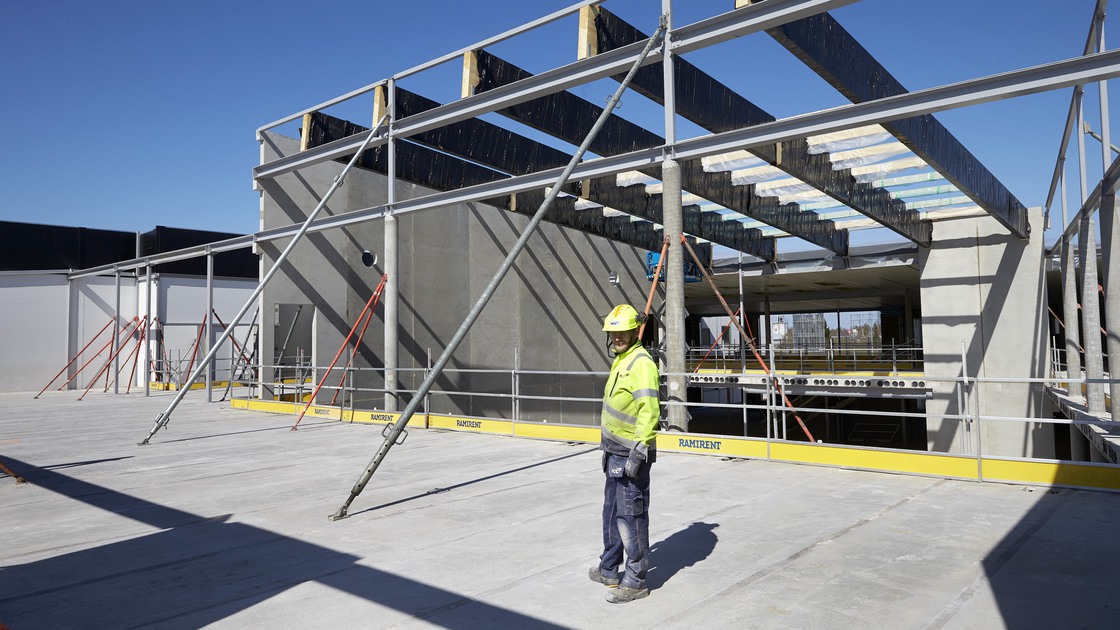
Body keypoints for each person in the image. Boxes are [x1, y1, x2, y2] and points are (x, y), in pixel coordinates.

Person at [589, 304, 659, 604]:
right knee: (612, 514)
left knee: (630, 517)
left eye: (622, 332)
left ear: (634, 331)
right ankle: (609, 569)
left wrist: (639, 452)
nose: (617, 337)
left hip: (632, 454)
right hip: (614, 451)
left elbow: (650, 411)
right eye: (613, 333)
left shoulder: (641, 363)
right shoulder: (622, 360)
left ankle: (636, 580)